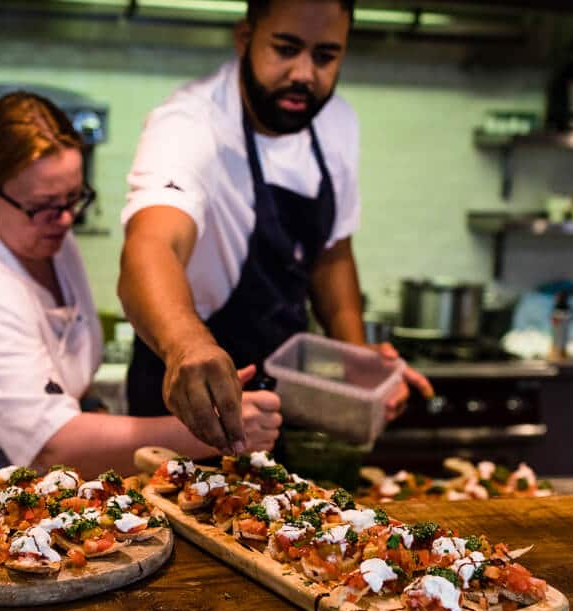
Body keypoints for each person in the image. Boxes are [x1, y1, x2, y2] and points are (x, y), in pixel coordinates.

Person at [0, 91, 281, 487]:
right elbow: (52, 447)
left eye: (72, 199)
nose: (64, 220)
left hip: (17, 473)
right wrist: (211, 430)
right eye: (45, 205)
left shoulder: (46, 238)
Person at [118, 0, 433, 453]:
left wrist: (358, 356)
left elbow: (332, 254)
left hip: (275, 400)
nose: (304, 74)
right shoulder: (189, 124)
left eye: (325, 56)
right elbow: (151, 245)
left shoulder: (337, 123)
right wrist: (186, 344)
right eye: (286, 49)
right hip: (184, 397)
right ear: (245, 38)